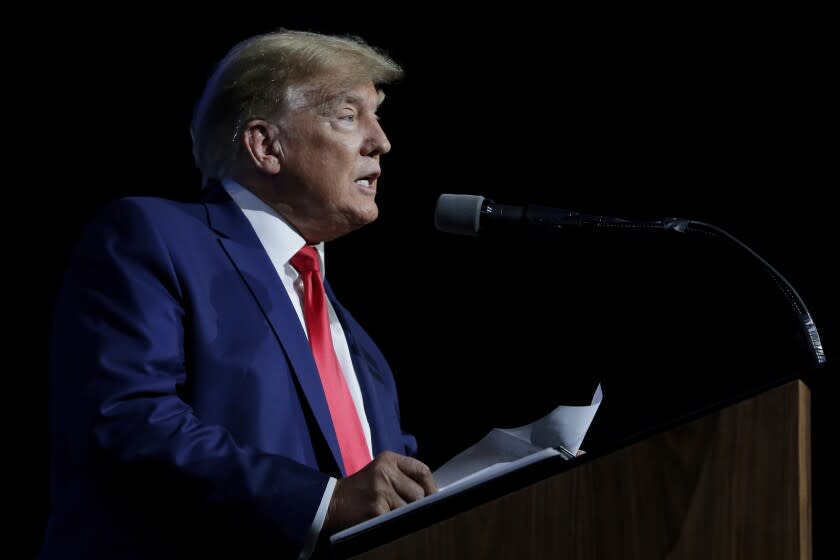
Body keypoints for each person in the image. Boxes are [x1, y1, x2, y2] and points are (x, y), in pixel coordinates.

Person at [39, 29, 437, 559]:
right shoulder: (151, 236)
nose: (381, 141)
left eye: (378, 115)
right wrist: (323, 502)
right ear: (266, 145)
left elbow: (387, 494)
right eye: (348, 115)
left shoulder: (360, 347)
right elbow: (127, 421)